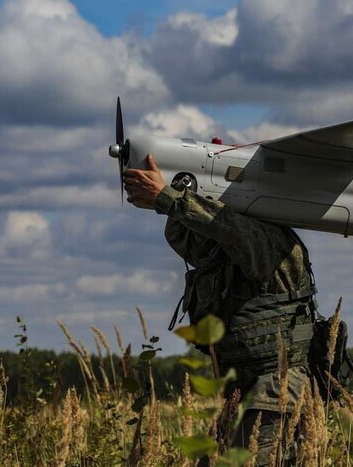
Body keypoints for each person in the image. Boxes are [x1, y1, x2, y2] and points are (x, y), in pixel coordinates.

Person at [124, 154, 318, 465]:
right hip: (245, 392)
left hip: (274, 392)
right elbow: (193, 238)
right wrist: (168, 196)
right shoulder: (228, 257)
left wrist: (168, 198)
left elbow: (228, 228)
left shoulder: (268, 242)